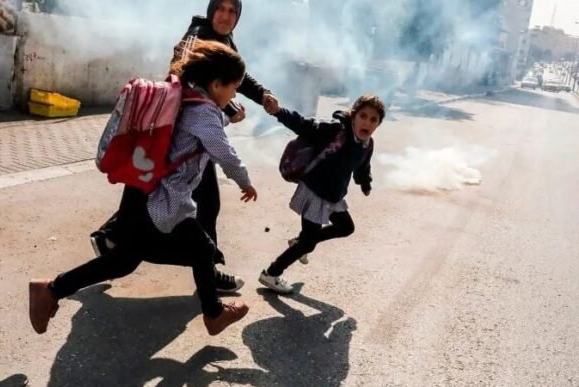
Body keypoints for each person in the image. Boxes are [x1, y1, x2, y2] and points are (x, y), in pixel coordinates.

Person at [30, 40, 257, 336]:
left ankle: (51, 289)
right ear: (216, 85)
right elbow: (222, 150)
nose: (234, 94)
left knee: (124, 261)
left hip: (142, 191)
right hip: (161, 201)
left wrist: (226, 114)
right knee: (202, 248)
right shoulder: (204, 113)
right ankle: (213, 314)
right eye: (234, 87)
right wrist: (245, 181)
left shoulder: (189, 97)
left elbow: (201, 128)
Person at [90, 0, 279, 293]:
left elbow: (234, 76)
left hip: (191, 136)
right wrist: (228, 110)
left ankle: (109, 238)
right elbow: (187, 76)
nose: (226, 16)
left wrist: (262, 93)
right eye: (221, 9)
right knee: (202, 203)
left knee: (158, 194)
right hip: (183, 134)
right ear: (211, 10)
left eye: (233, 11)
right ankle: (208, 272)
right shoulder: (197, 34)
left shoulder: (224, 40)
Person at [258, 94, 386, 294]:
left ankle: (300, 242)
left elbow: (362, 167)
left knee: (345, 228)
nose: (367, 123)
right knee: (308, 243)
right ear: (353, 115)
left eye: (373, 119)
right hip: (315, 192)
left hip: (333, 195)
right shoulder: (335, 130)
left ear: (378, 124)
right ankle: (272, 272)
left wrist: (365, 183)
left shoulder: (367, 144)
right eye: (363, 116)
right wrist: (278, 112)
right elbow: (304, 125)